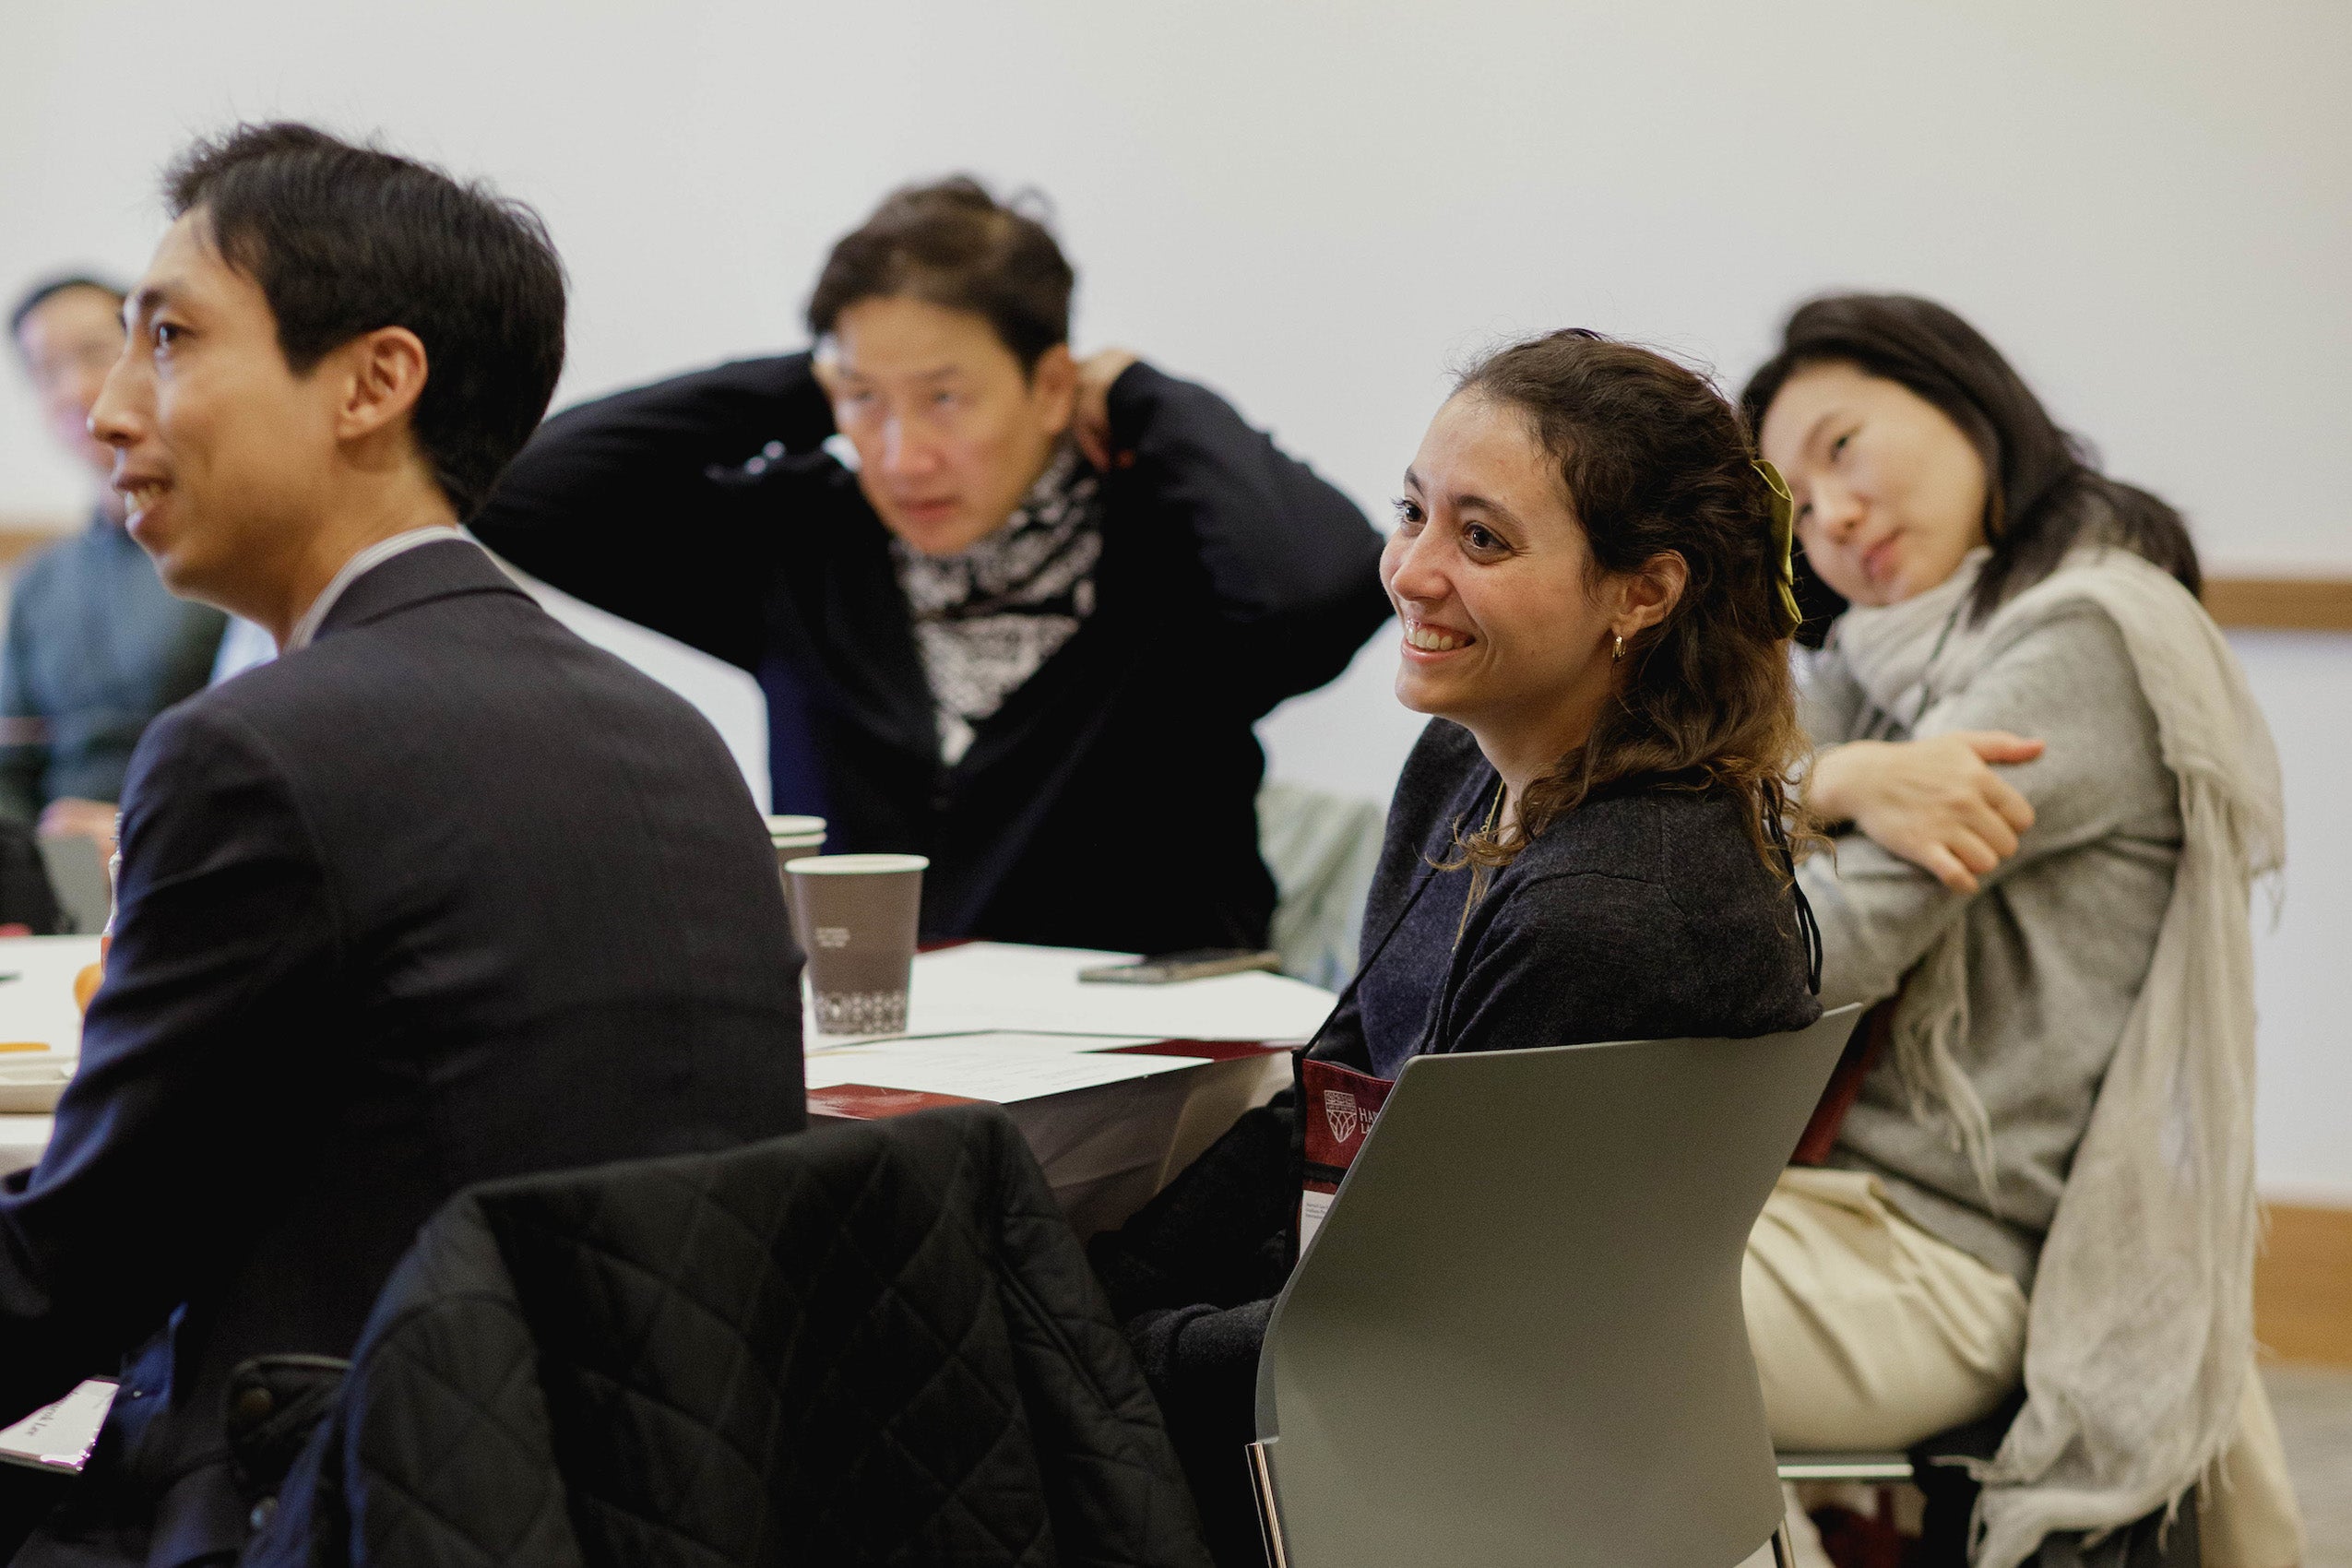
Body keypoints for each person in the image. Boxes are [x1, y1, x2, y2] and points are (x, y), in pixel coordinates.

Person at [0, 124, 806, 1566]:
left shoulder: (256, 750)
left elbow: (70, 1283)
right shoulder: (664, 731)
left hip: (347, 1502)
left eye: (170, 339)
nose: (113, 411)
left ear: (374, 382)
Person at [1090, 329, 1824, 1564]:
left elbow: (1404, 1326)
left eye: (1480, 540)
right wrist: (1102, 1289)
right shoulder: (1465, 766)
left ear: (1643, 590)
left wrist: (1104, 1347)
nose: (1411, 573)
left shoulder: (1614, 909)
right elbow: (1334, 1088)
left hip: (1464, 1464)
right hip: (1412, 1378)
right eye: (1412, 515)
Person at [469, 177, 1390, 956]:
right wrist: (817, 381)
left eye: (945, 397)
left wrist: (1146, 397)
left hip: (1159, 1091)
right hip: (881, 1087)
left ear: (1052, 387)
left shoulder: (1170, 550)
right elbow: (521, 491)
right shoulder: (806, 543)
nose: (904, 457)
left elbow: (1324, 588)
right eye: (867, 402)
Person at [1743, 293, 2301, 1568]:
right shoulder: (1889, 662)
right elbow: (1744, 787)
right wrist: (1826, 784)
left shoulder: (2084, 634)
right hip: (1821, 1206)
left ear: (1964, 401)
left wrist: (1796, 799)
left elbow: (1823, 941)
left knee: (1561, 1327)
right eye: (1794, 506)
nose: (1827, 516)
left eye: (1840, 448)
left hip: (1943, 1247)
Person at [4, 276, 227, 850]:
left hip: (199, 854)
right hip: (60, 879)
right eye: (45, 371)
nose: (74, 389)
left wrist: (135, 837)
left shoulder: (227, 548)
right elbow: (11, 764)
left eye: (93, 355)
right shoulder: (41, 581)